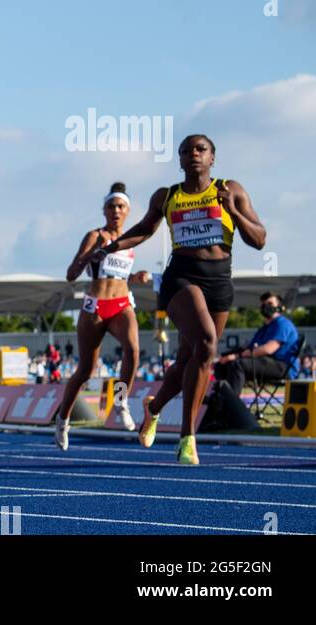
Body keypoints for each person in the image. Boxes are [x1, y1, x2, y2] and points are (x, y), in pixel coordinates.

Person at [92, 135, 267, 464]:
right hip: (181, 278)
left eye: (201, 150)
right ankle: (188, 437)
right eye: (186, 151)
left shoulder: (231, 190)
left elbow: (258, 239)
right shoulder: (167, 195)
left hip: (219, 282)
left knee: (192, 356)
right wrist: (111, 247)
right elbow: (144, 228)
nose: (194, 155)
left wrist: (232, 211)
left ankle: (153, 408)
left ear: (213, 157)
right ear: (180, 160)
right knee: (206, 342)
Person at [53, 182, 152, 450]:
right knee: (85, 370)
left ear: (128, 210)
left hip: (121, 303)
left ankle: (120, 402)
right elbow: (71, 274)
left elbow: (117, 275)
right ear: (104, 210)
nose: (116, 211)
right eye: (111, 206)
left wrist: (136, 276)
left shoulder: (131, 239)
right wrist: (90, 257)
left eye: (120, 206)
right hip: (95, 306)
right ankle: (63, 420)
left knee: (132, 349)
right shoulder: (95, 235)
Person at [212, 291, 300, 402]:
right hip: (267, 362)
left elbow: (268, 349)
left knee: (238, 364)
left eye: (270, 303)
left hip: (284, 366)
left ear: (280, 306)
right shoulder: (265, 328)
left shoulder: (283, 324)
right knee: (221, 364)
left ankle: (231, 406)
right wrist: (225, 356)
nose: (265, 307)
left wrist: (236, 356)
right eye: (263, 304)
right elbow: (250, 348)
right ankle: (220, 402)